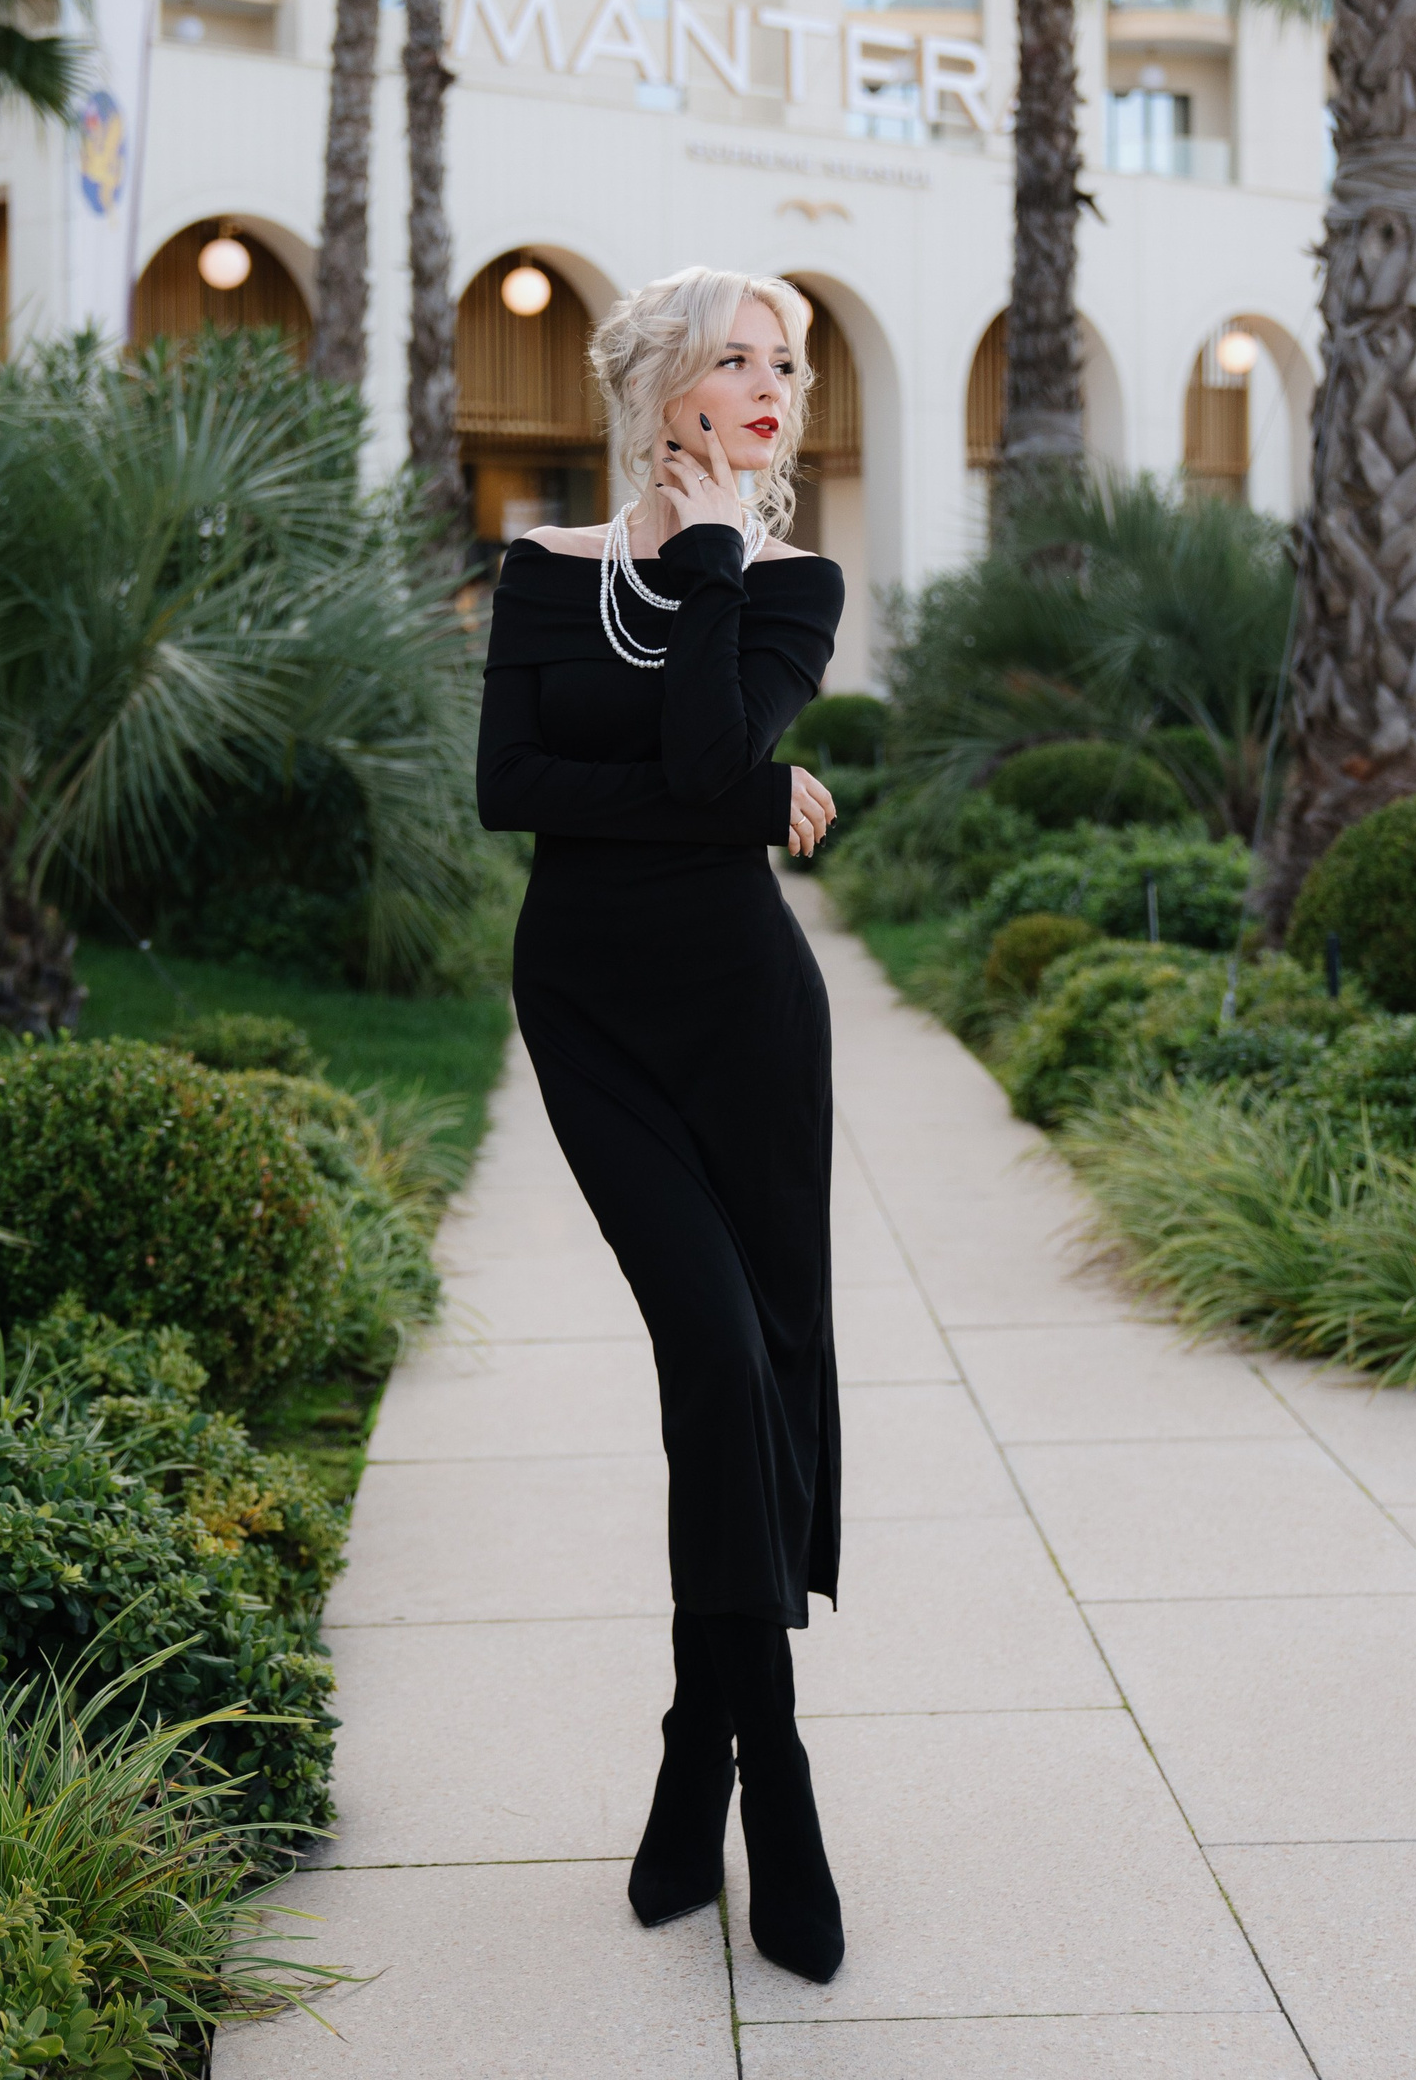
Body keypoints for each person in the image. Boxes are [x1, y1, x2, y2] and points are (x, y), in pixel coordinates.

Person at [476, 266, 847, 1984]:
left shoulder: (791, 583)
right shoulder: (545, 570)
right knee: (709, 1340)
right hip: (594, 1017)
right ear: (659, 385)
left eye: (789, 362)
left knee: (749, 1363)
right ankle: (777, 1770)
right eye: (737, 358)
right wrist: (744, 799)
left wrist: (709, 562)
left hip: (748, 1030)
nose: (774, 386)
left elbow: (700, 753)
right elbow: (513, 790)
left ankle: (715, 1754)